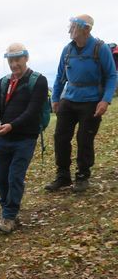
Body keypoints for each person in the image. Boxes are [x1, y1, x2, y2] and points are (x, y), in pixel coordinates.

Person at [45, 14, 117, 193]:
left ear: (87, 29)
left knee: (84, 139)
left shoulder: (100, 49)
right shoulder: (67, 50)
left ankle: (83, 176)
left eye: (74, 26)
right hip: (68, 99)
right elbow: (60, 76)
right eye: (70, 26)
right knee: (60, 138)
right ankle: (63, 176)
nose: (70, 30)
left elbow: (112, 75)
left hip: (92, 101)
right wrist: (55, 98)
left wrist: (105, 100)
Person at [0, 43, 48, 233]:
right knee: (1, 178)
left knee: (15, 177)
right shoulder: (3, 82)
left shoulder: (39, 81)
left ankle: (9, 216)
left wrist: (12, 125)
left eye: (17, 59)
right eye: (10, 60)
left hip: (25, 138)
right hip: (2, 137)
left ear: (26, 58)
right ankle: (9, 211)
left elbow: (33, 110)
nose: (14, 64)